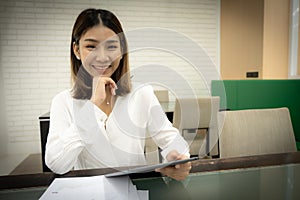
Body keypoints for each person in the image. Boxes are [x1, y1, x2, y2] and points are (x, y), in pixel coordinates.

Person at [45, 8, 191, 180]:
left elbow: (171, 138)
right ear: (76, 50)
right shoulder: (63, 101)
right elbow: (56, 163)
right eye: (91, 46)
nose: (102, 57)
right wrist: (93, 107)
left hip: (135, 188)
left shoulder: (141, 93)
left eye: (111, 47)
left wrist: (177, 158)